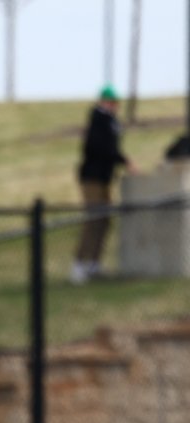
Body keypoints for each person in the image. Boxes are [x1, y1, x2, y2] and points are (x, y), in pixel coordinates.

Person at [72, 85, 136, 284]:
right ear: (103, 102)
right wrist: (123, 160)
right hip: (92, 178)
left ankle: (94, 264)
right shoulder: (98, 121)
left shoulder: (110, 122)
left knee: (104, 221)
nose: (114, 106)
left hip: (104, 178)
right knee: (93, 219)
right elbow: (101, 148)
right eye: (111, 102)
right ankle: (79, 266)